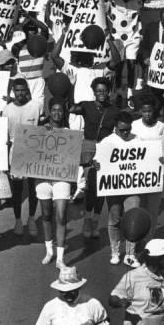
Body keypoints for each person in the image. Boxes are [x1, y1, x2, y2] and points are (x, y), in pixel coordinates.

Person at [69, 76, 121, 239]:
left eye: (104, 91)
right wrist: (71, 88)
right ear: (93, 92)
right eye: (98, 91)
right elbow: (71, 109)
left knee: (102, 188)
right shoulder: (86, 106)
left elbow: (122, 127)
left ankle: (95, 222)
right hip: (88, 146)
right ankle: (87, 220)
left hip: (105, 148)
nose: (101, 93)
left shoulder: (114, 110)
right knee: (91, 186)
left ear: (109, 92)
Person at [93, 110, 142, 265]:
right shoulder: (107, 141)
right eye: (122, 130)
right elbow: (97, 158)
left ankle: (130, 254)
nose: (126, 132)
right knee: (115, 218)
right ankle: (115, 251)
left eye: (128, 129)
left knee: (132, 219)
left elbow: (148, 158)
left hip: (132, 187)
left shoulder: (138, 140)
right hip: (114, 187)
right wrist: (96, 163)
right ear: (115, 128)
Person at [37, 98, 73, 268]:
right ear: (49, 112)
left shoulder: (68, 132)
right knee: (45, 215)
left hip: (61, 178)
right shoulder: (42, 130)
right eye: (54, 110)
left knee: (61, 215)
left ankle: (60, 258)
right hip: (43, 177)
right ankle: (49, 250)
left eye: (60, 110)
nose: (57, 113)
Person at [4, 77, 41, 237]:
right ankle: (18, 219)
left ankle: (32, 219)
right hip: (15, 153)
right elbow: (4, 134)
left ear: (27, 90)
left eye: (22, 90)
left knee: (33, 189)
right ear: (13, 91)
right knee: (17, 190)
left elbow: (42, 128)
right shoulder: (7, 109)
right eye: (16, 90)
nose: (19, 93)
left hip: (32, 152)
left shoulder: (36, 107)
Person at [131, 92, 164, 238]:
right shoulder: (134, 125)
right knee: (137, 207)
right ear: (140, 111)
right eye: (144, 111)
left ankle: (149, 239)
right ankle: (136, 237)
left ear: (154, 111)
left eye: (150, 111)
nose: (147, 114)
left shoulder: (161, 126)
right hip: (137, 174)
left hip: (155, 175)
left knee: (152, 209)